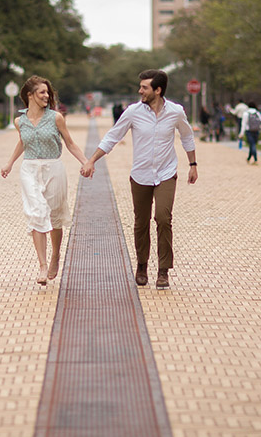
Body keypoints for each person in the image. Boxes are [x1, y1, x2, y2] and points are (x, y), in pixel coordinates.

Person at [81, 69, 197, 290]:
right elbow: (113, 136)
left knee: (163, 218)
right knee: (141, 223)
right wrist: (91, 160)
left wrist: (193, 164)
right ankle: (142, 265)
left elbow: (187, 135)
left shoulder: (176, 112)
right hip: (141, 175)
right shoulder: (133, 112)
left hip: (166, 173)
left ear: (158, 90)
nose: (140, 90)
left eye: (144, 87)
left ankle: (163, 270)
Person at [1, 76, 89, 286]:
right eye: (42, 92)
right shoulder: (19, 121)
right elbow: (23, 142)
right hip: (29, 168)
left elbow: (70, 143)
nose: (46, 96)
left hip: (53, 167)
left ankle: (55, 255)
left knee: (55, 215)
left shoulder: (56, 118)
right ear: (30, 95)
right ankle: (42, 264)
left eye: (48, 93)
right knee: (36, 213)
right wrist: (9, 163)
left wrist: (86, 161)